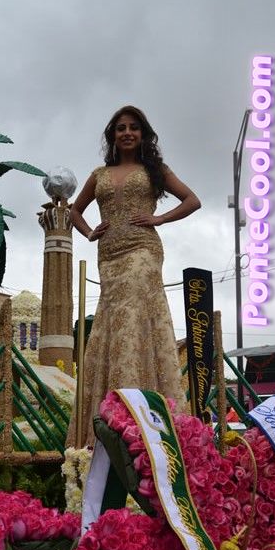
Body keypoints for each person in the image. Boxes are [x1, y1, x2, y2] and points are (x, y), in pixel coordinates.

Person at [67, 105, 201, 446]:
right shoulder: (99, 174)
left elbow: (192, 200)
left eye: (134, 128)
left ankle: (136, 416)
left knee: (133, 321)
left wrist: (159, 219)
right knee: (113, 324)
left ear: (143, 135)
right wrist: (89, 232)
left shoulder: (155, 170)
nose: (127, 133)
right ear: (113, 135)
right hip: (108, 256)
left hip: (143, 250)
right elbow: (74, 211)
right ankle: (110, 420)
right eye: (121, 128)